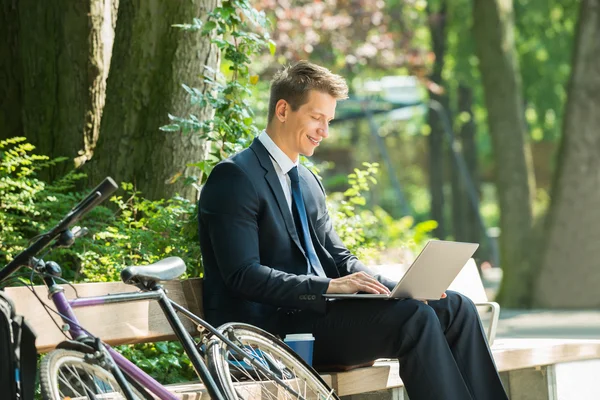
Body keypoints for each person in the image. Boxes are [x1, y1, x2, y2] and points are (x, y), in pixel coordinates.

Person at [198, 60, 508, 400]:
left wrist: (399, 289)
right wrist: (328, 286)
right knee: (413, 319)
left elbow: (340, 258)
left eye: (328, 121)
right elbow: (243, 275)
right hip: (269, 332)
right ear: (283, 110)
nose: (324, 131)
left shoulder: (306, 180)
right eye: (317, 118)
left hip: (317, 318)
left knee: (456, 308)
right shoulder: (235, 177)